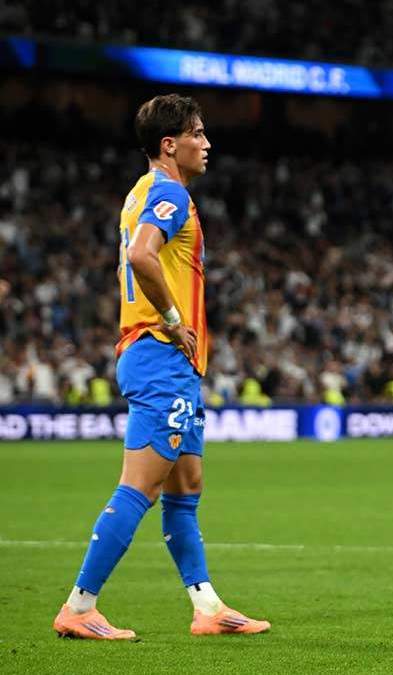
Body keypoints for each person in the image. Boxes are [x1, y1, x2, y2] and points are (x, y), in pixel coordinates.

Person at [52, 94, 269, 640]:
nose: (207, 143)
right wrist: (173, 318)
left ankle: (207, 607)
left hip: (168, 359)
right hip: (160, 354)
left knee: (185, 485)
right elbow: (144, 256)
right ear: (170, 144)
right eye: (198, 133)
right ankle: (79, 606)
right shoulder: (168, 191)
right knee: (140, 488)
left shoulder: (140, 193)